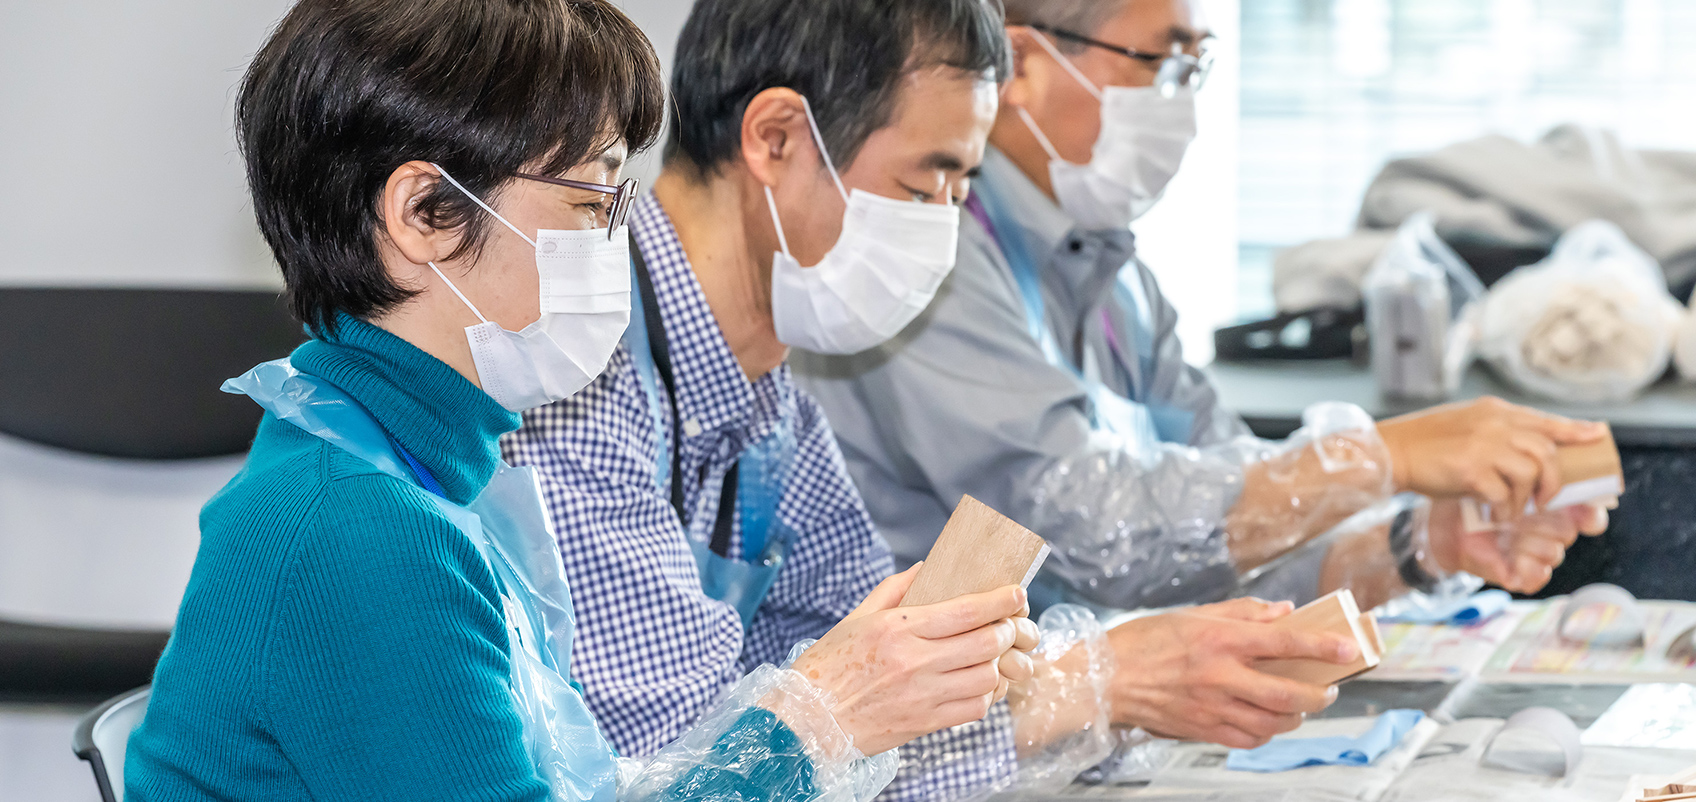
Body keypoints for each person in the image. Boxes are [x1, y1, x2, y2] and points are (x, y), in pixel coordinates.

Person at [124, 1, 1038, 800]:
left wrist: (857, 701)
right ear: (421, 217)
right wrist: (823, 716)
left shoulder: (420, 472)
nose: (621, 236)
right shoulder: (360, 529)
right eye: (593, 198)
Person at [504, 0, 1303, 795]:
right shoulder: (577, 384)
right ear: (775, 138)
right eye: (929, 181)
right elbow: (682, 772)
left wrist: (1039, 682)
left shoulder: (769, 401)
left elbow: (875, 701)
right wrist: (1093, 684)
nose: (946, 228)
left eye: (964, 186)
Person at [790, 0, 1612, 750]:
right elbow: (1099, 534)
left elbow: (1233, 545)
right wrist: (1382, 458)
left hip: (1070, 740)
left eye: (1196, 65)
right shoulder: (923, 259)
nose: (1179, 99)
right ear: (1025, 67)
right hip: (942, 753)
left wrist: (1419, 541)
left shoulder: (1114, 274)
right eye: (1160, 61)